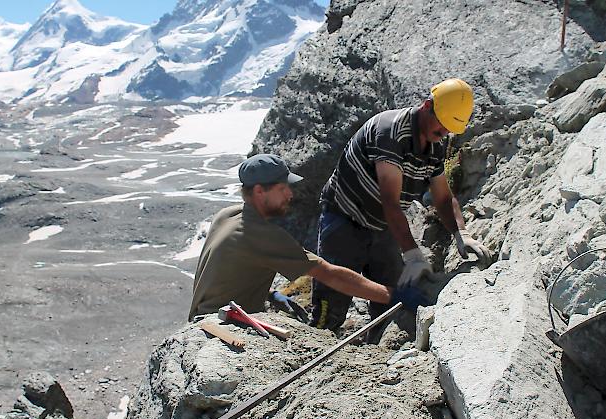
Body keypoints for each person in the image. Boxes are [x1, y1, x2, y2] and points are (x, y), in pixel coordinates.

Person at [312, 78, 492, 330]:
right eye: (441, 128)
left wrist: (460, 232)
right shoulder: (390, 132)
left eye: (449, 131)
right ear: (427, 105)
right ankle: (318, 339)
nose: (443, 135)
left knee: (391, 298)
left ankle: (375, 351)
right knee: (332, 299)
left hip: (381, 226)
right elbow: (390, 201)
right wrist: (412, 253)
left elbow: (442, 197)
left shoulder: (434, 147)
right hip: (345, 220)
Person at [188, 153, 429, 322]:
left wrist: (269, 294)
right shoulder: (262, 234)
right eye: (282, 188)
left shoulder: (226, 215)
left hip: (201, 317)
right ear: (260, 191)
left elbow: (227, 270)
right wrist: (393, 295)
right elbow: (328, 274)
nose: (290, 194)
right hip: (224, 324)